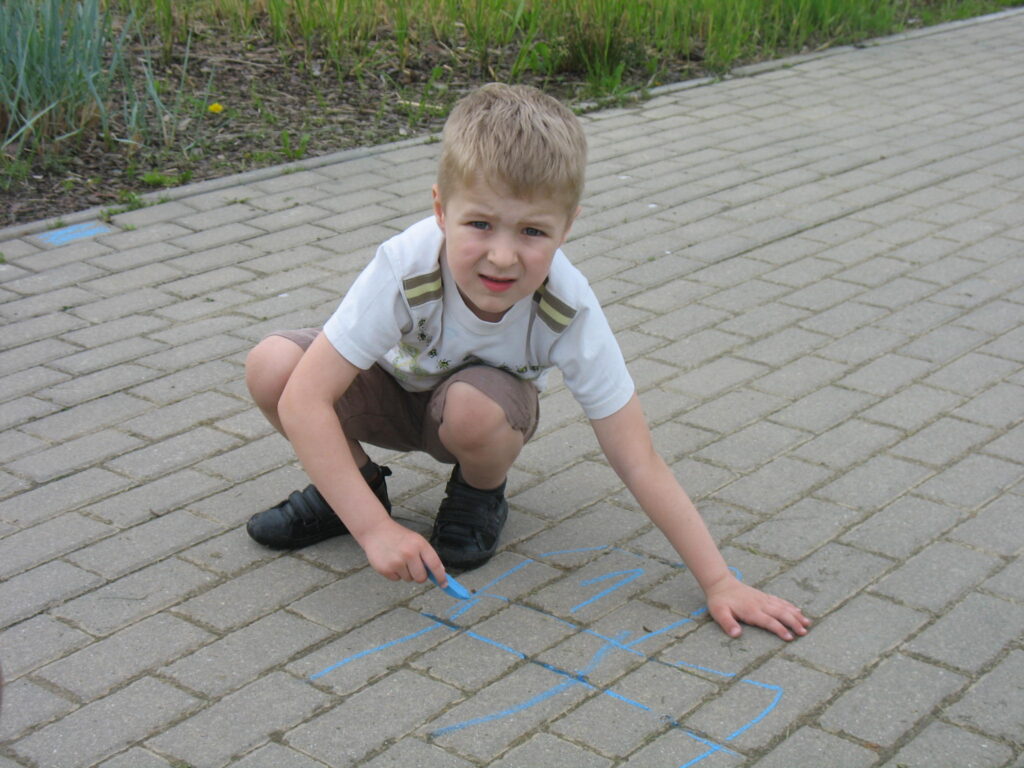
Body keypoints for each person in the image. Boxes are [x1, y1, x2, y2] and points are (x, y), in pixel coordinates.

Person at [244, 83, 810, 642]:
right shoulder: (405, 265)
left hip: (474, 420)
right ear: (441, 210)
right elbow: (305, 399)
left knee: (473, 407)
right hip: (391, 393)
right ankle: (353, 493)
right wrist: (373, 528)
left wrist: (719, 581)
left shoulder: (568, 307)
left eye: (533, 231)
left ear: (568, 227)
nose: (502, 256)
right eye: (480, 224)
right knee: (274, 366)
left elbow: (638, 458)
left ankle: (478, 494)